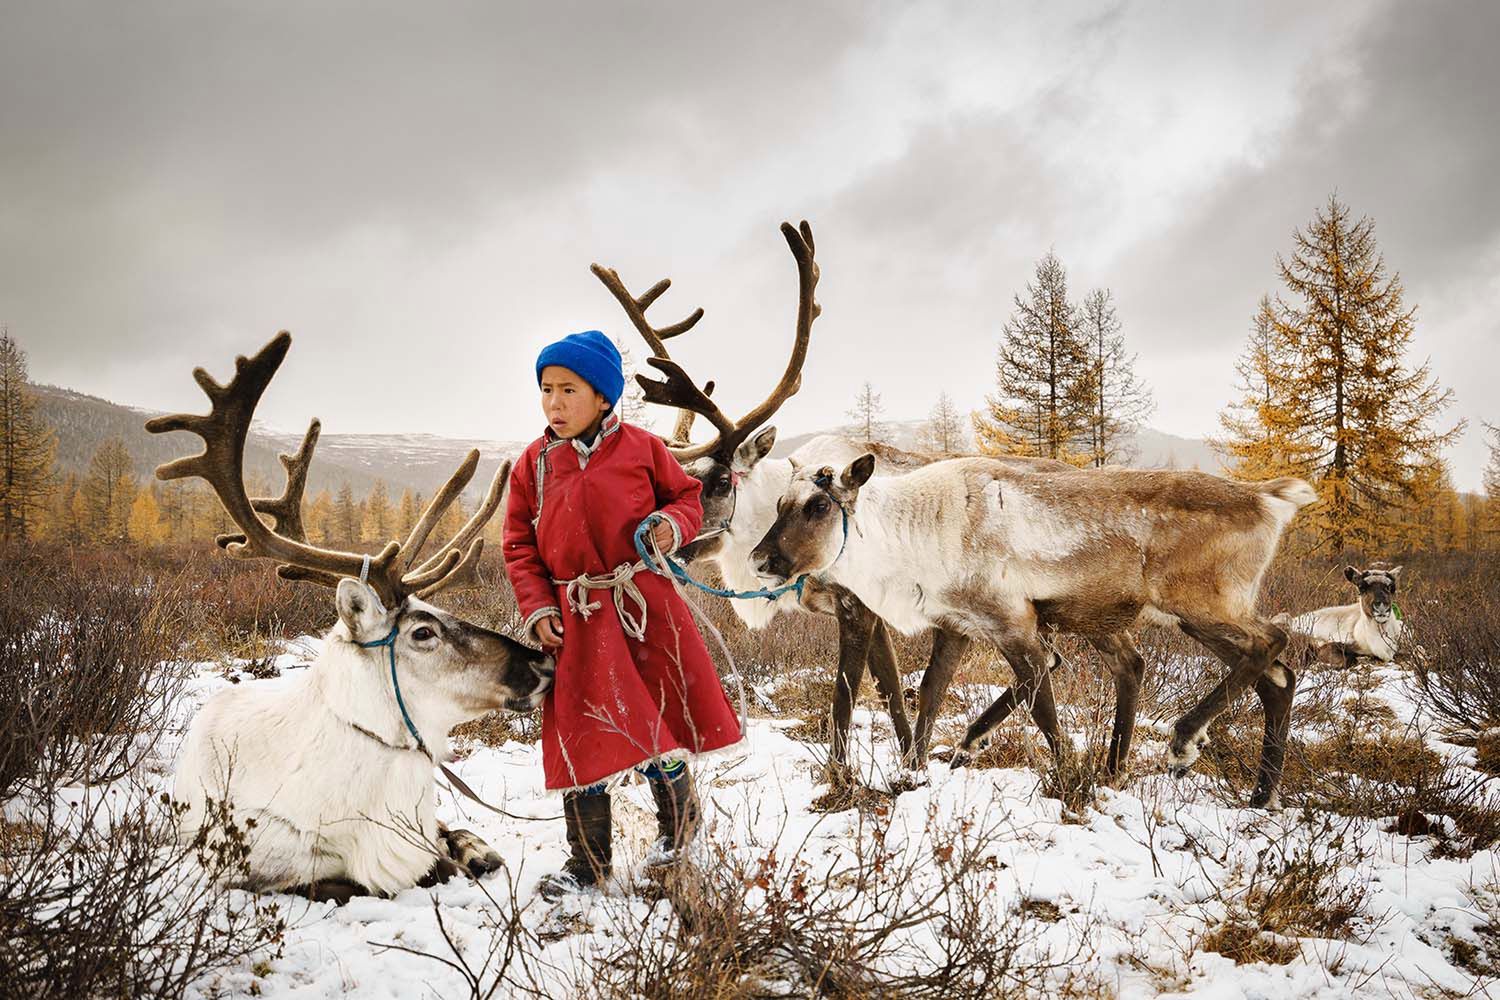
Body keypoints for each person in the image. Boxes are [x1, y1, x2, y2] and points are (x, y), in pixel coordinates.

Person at [502, 330, 742, 900]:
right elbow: (518, 542)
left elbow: (687, 498)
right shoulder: (533, 465)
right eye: (545, 389)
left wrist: (670, 527)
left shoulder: (642, 448)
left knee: (658, 722)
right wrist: (536, 607)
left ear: (604, 397)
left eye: (568, 389)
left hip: (642, 606)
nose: (553, 403)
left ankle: (679, 837)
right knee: (580, 732)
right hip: (575, 618)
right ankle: (588, 863)